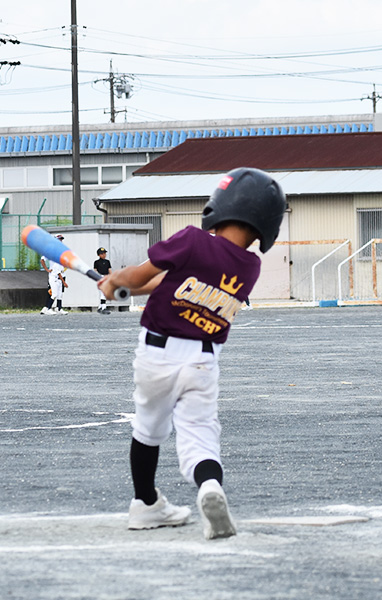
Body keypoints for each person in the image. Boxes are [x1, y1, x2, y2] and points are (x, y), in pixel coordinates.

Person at [98, 167, 287, 540]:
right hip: (203, 359)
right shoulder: (250, 266)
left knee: (149, 428)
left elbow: (141, 275)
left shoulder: (191, 240)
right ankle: (209, 487)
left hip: (156, 354)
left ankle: (145, 503)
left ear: (222, 205)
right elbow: (170, 284)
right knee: (199, 434)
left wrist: (117, 281)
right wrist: (127, 287)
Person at [39, 235, 68, 315]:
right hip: (54, 274)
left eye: (61, 240)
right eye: (59, 240)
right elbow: (42, 259)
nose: (60, 241)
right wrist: (46, 269)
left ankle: (59, 308)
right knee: (52, 292)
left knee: (60, 293)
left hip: (61, 273)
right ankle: (46, 308)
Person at [93, 247, 113, 314]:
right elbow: (95, 271)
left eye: (104, 253)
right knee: (103, 292)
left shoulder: (107, 262)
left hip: (106, 276)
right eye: (102, 254)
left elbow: (109, 270)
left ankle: (100, 307)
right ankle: (104, 307)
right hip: (100, 277)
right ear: (99, 255)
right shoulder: (96, 262)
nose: (104, 255)